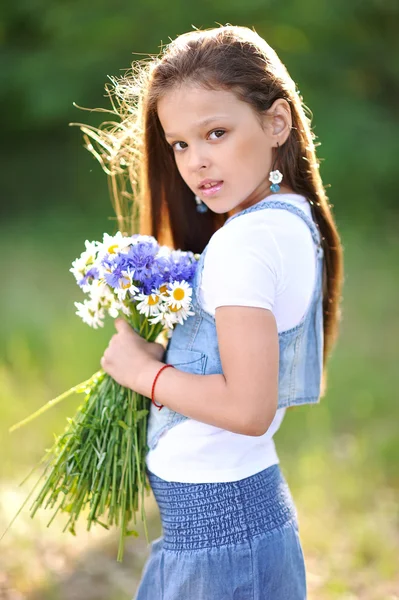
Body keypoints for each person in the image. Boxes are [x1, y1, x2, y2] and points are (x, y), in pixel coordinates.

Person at [98, 24, 344, 600]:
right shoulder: (284, 219)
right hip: (226, 526)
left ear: (276, 123)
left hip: (221, 541)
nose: (196, 161)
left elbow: (248, 406)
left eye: (216, 132)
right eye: (180, 143)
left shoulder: (246, 242)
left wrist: (143, 374)